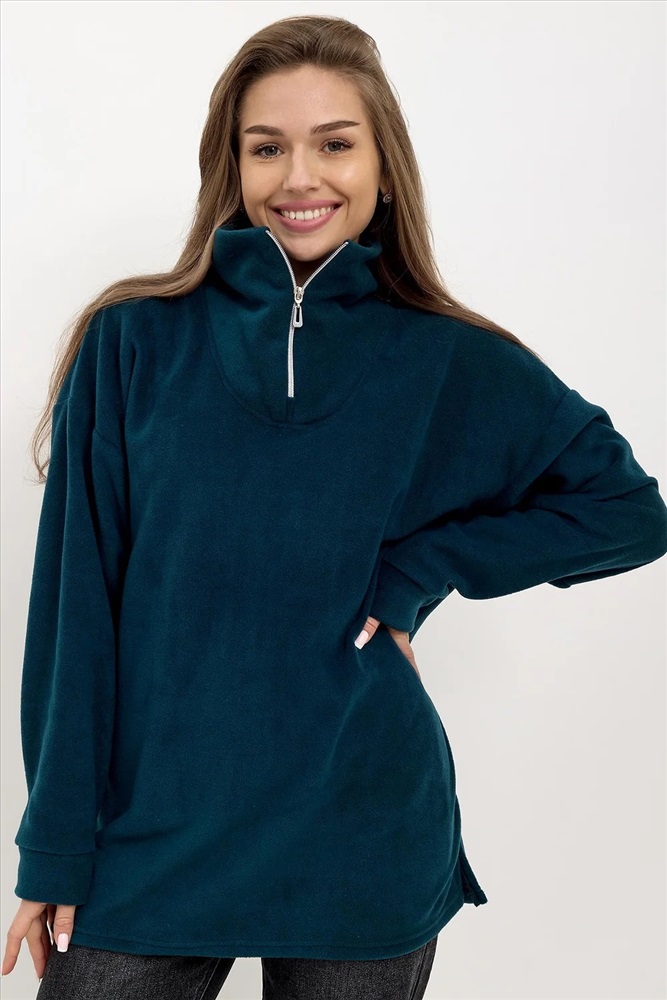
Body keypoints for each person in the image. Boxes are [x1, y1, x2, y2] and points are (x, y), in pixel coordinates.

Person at [3, 12, 667, 1000]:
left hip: (363, 841)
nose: (299, 176)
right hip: (151, 839)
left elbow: (626, 511)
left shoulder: (448, 358)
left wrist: (419, 568)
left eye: (335, 144)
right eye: (266, 147)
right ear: (231, 167)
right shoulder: (132, 341)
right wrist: (55, 845)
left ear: (383, 167)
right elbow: (74, 613)